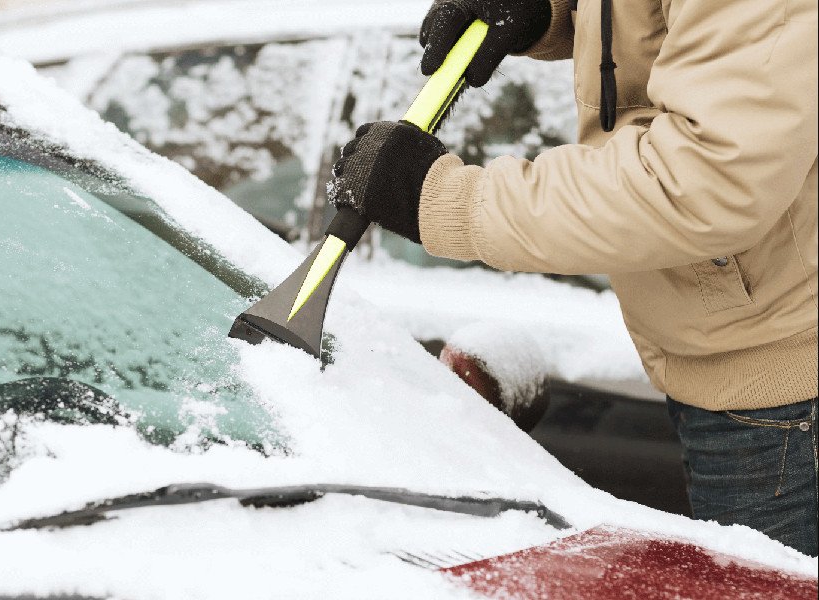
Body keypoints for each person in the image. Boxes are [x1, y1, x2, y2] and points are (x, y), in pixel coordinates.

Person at [328, 0, 818, 555]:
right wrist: (555, 11)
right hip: (730, 357)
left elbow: (706, 180)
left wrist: (446, 200)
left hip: (784, 389)